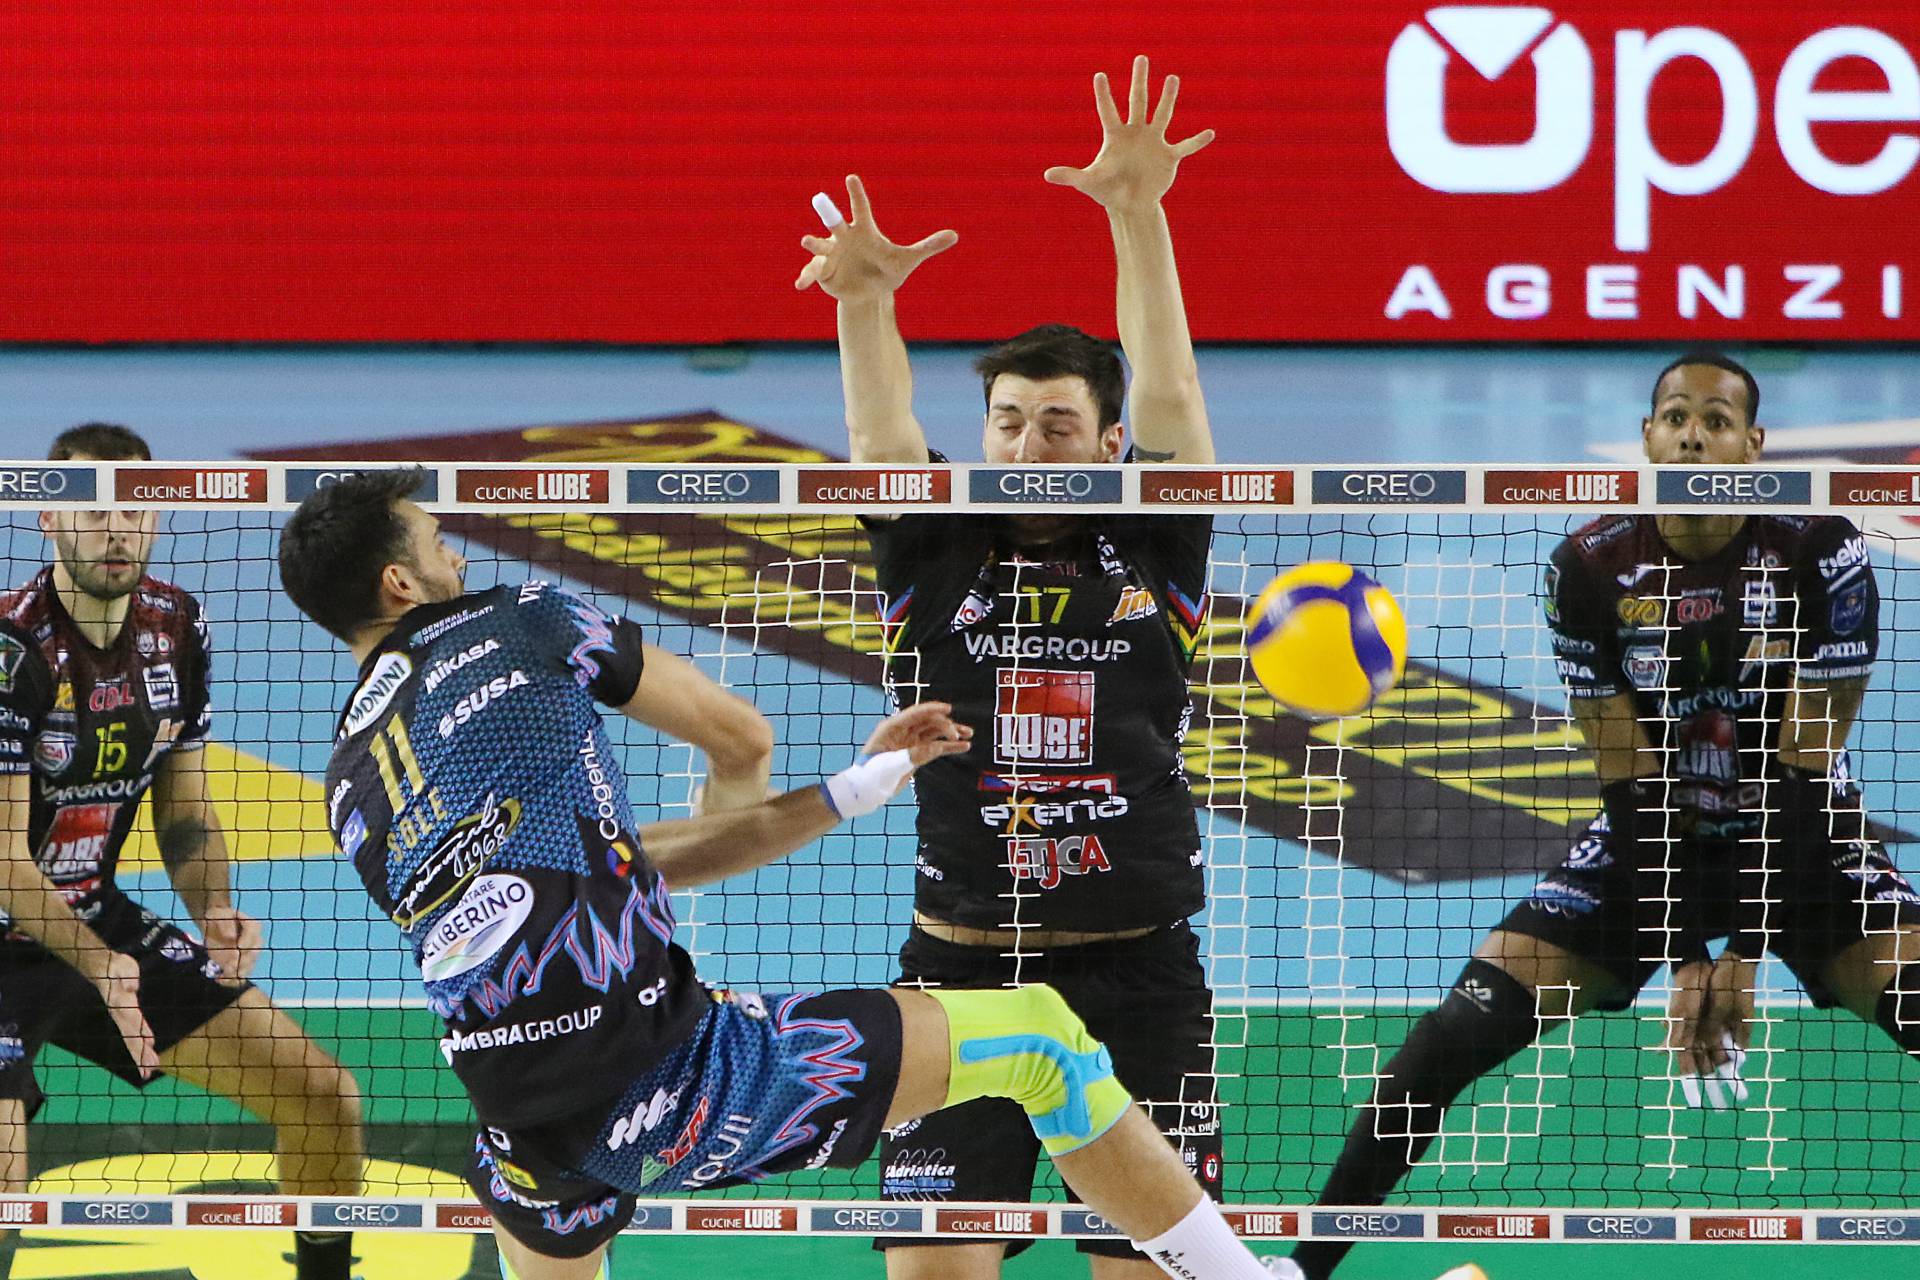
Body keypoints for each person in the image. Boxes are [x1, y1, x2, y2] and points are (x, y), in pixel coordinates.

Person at [275, 469, 1278, 1280]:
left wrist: (848, 790)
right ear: (400, 582)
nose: (455, 551)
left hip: (522, 1129)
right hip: (672, 1072)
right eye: (435, 540)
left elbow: (606, 872)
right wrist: (747, 786)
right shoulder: (521, 618)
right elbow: (741, 735)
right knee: (1046, 1041)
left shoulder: (350, 786)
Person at [1278, 352, 1920, 1280]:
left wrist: (1743, 951)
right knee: (1447, 1042)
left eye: (1717, 420)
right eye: (1675, 416)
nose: (1693, 434)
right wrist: (1687, 953)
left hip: (1801, 840)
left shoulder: (1821, 551)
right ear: (1648, 436)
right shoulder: (1591, 564)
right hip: (1649, 840)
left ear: (1754, 445)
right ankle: (1299, 1271)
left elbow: (1807, 774)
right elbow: (1627, 780)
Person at [795, 55, 1223, 1280]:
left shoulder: (1157, 535)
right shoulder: (936, 543)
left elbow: (1174, 385)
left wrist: (1136, 215)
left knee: (1148, 1268)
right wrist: (863, 301)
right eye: (1008, 422)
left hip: (1138, 967)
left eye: (1058, 424)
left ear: (1110, 441)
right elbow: (879, 430)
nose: (1028, 446)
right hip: (965, 964)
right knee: (932, 1269)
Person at [0, 424, 364, 1280]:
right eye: (92, 509)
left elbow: (187, 813)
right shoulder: (11, 649)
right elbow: (6, 862)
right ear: (47, 520)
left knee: (323, 1097)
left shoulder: (176, 625)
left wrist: (214, 908)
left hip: (92, 918)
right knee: (4, 1189)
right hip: (14, 934)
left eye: (133, 507)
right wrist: (103, 967)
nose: (116, 528)